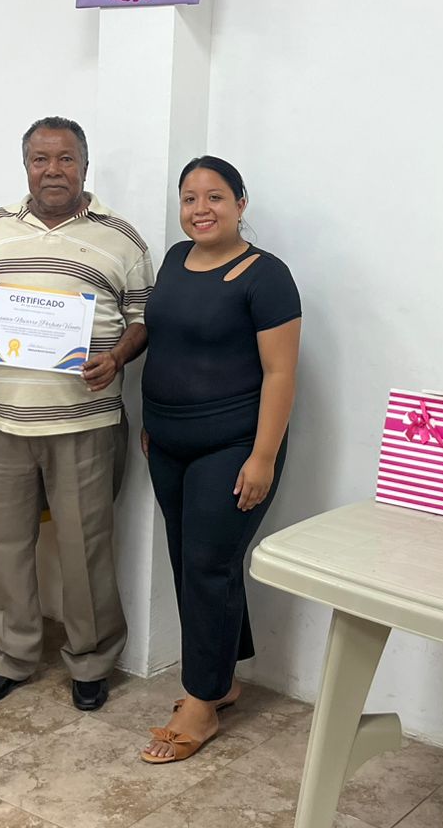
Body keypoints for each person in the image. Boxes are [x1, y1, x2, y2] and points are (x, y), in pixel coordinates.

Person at [0, 116, 152, 712]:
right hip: (0, 418)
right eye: (41, 159)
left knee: (85, 549)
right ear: (26, 166)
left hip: (84, 421)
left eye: (65, 159)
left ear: (84, 166)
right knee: (6, 546)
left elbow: (143, 319)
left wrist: (117, 357)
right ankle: (11, 656)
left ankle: (91, 661)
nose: (53, 170)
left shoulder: (122, 238)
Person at [137, 157, 301, 763]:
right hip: (167, 441)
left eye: (215, 197)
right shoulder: (175, 260)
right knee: (194, 561)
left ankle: (201, 701)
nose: (201, 209)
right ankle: (223, 676)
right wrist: (155, 420)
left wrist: (262, 457)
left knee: (208, 564)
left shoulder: (267, 276)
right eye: (189, 198)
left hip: (233, 446)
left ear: (240, 204)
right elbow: (168, 345)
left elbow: (281, 373)